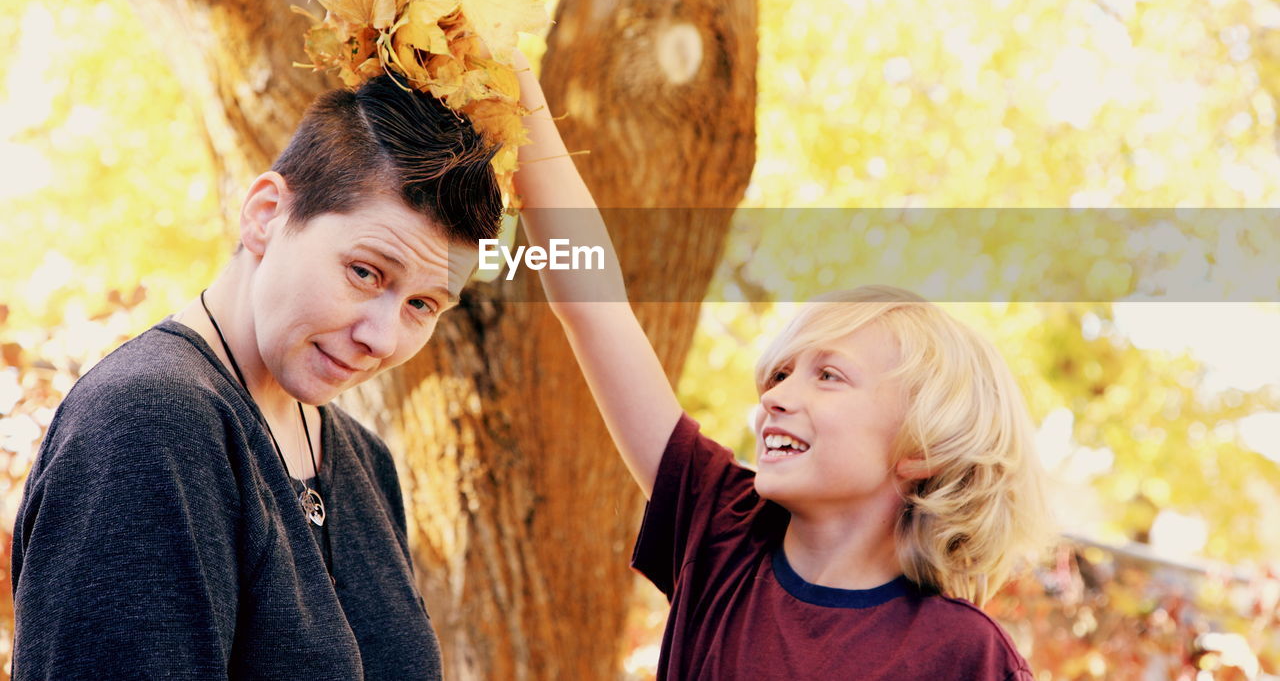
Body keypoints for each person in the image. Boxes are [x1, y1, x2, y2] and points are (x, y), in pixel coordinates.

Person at [511, 61, 1051, 679]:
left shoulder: (962, 654)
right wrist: (517, 87)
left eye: (829, 376)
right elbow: (593, 305)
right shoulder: (721, 528)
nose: (776, 397)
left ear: (922, 448)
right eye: (780, 375)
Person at [11, 75, 502, 680]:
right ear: (266, 215)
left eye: (423, 305)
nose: (384, 337)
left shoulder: (363, 459)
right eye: (367, 273)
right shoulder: (147, 421)